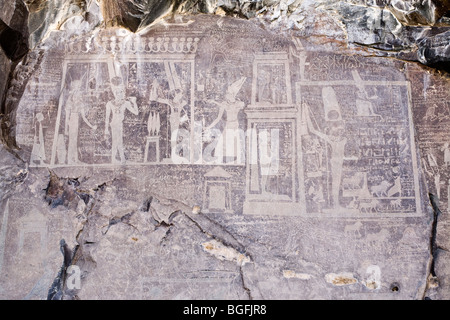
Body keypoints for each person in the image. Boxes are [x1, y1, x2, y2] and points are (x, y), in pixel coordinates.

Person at [304, 103, 347, 209]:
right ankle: (335, 204)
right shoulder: (331, 138)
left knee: (338, 183)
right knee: (335, 184)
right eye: (337, 128)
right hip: (335, 163)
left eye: (341, 129)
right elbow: (312, 130)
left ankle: (336, 203)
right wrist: (306, 113)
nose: (340, 130)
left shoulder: (343, 139)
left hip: (339, 163)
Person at [104, 76, 139, 164]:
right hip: (114, 124)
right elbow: (107, 118)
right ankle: (117, 159)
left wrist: (134, 103)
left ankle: (120, 159)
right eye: (117, 92)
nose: (119, 94)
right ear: (114, 93)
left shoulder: (125, 103)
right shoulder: (110, 103)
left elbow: (136, 113)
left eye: (121, 92)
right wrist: (106, 129)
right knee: (116, 141)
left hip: (119, 124)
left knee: (119, 141)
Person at [65, 80, 97, 164]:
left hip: (76, 122)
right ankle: (70, 160)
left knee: (75, 141)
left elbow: (84, 118)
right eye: (77, 88)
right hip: (72, 121)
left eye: (79, 88)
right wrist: (66, 129)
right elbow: (67, 117)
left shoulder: (80, 103)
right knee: (72, 140)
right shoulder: (69, 102)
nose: (79, 91)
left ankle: (74, 159)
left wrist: (91, 126)